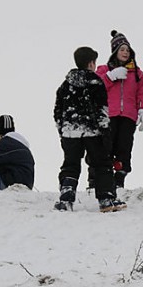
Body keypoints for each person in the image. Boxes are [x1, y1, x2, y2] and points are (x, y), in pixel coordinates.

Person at [53, 46, 124, 212]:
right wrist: (105, 131)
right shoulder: (95, 82)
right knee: (101, 163)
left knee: (70, 164)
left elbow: (58, 110)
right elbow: (101, 110)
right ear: (91, 63)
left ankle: (66, 198)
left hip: (70, 131)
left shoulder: (66, 84)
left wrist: (62, 129)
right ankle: (106, 198)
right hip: (93, 131)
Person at [90, 30, 143, 190]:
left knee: (124, 147)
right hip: (108, 115)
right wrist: (111, 76)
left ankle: (119, 180)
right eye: (122, 49)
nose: (125, 52)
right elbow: (96, 88)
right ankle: (96, 181)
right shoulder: (103, 70)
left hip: (128, 116)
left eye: (127, 50)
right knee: (104, 147)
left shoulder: (139, 74)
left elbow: (142, 93)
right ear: (115, 52)